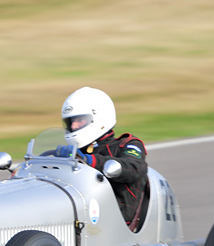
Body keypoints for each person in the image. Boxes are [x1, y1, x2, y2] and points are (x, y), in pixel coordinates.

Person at [61, 87, 149, 230]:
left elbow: (136, 167)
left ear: (99, 118)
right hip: (80, 217)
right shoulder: (74, 152)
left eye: (79, 120)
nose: (73, 126)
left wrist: (91, 161)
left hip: (117, 224)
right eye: (70, 122)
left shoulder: (126, 145)